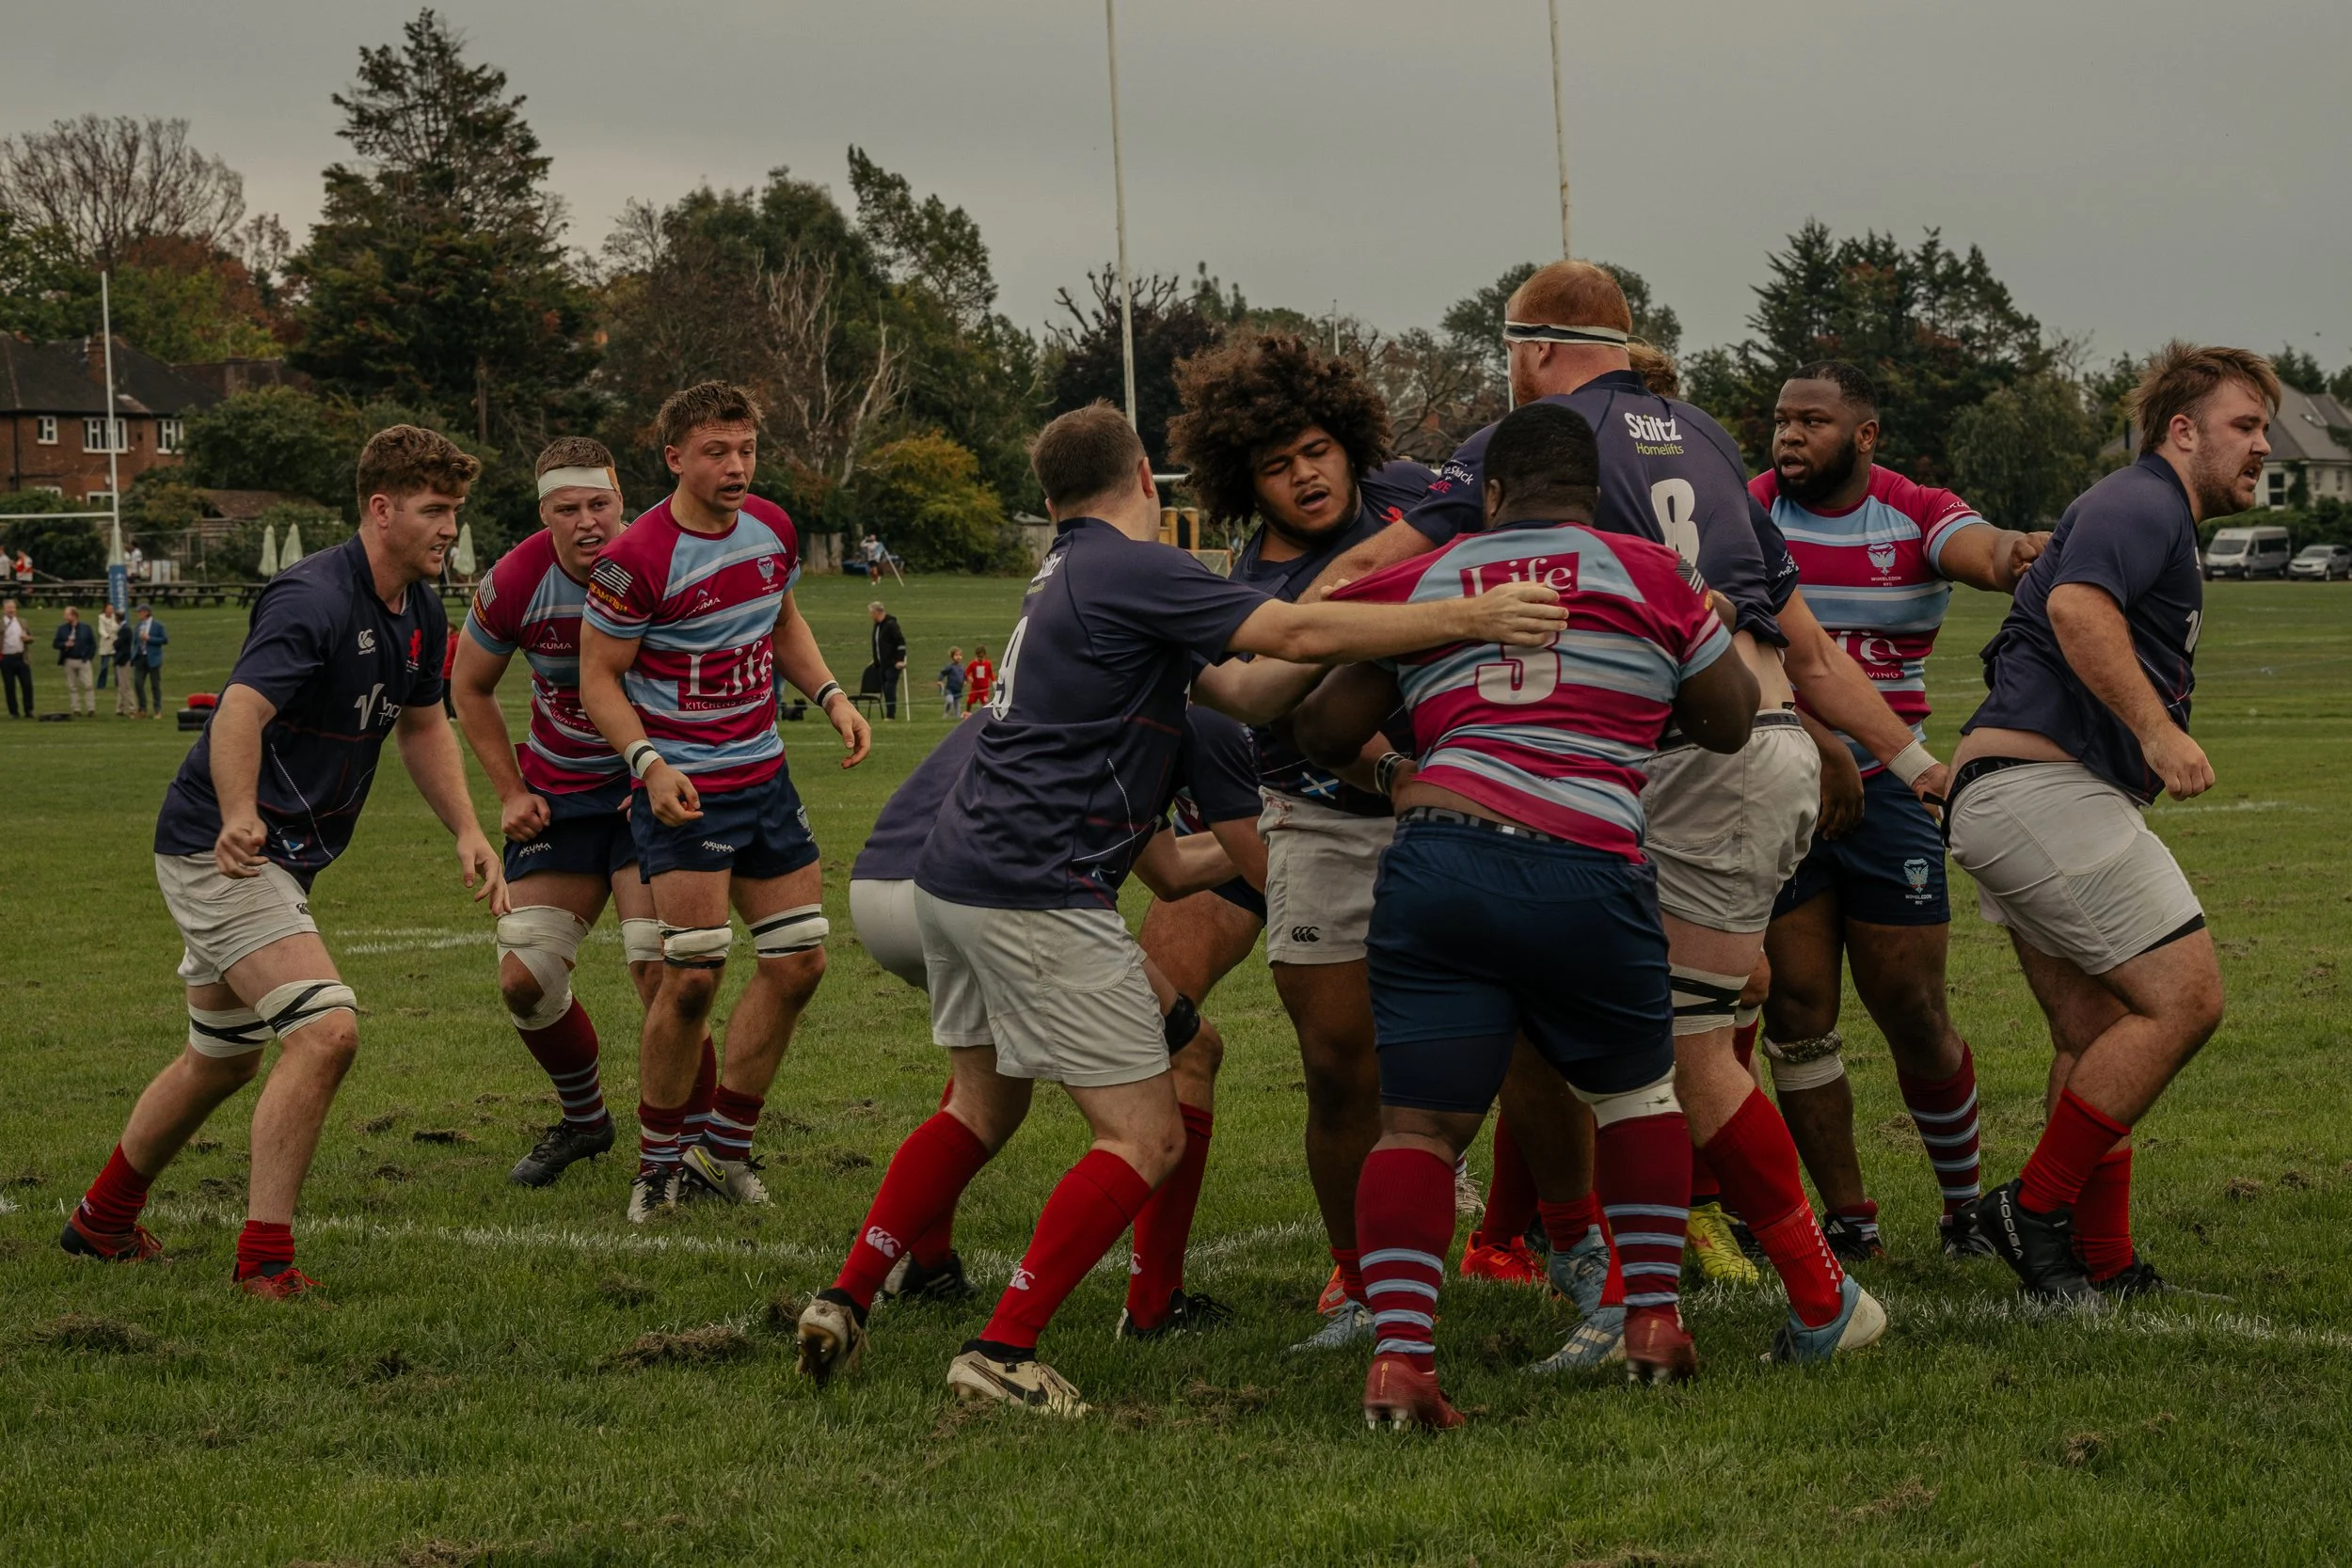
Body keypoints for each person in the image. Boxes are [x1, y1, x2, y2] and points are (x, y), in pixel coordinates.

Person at [793, 403, 1565, 1416]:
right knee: (1146, 1134)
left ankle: (844, 1297)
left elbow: (1249, 690)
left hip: (957, 880)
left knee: (981, 1106)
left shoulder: (1066, 574)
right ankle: (1003, 1348)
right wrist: (1466, 613)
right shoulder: (1130, 565)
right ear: (1148, 482)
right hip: (1034, 891)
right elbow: (1287, 628)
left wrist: (1343, 610)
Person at [1310, 261, 1915, 1361]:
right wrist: (1896, 752)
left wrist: (1271, 621)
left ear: (1533, 352)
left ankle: (1790, 1296)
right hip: (1736, 744)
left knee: (1676, 1059)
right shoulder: (1708, 438)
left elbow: (1368, 583)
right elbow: (1793, 633)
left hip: (1697, 760)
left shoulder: (1528, 458)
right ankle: (1632, 1281)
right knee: (1649, 1032)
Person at [1295, 401, 1758, 1421]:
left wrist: (1407, 763)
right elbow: (1730, 724)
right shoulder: (1649, 571)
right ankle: (1651, 1319)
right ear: (1587, 494)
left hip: (1441, 856)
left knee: (1415, 1124)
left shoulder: (1434, 572)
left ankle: (1403, 1361)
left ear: (1490, 495)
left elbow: (1324, 724)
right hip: (1588, 863)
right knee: (1636, 1096)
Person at [58, 425, 506, 1296]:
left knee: (220, 1057)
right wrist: (235, 816)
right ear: (381, 510)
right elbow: (235, 712)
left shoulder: (419, 606)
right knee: (326, 1029)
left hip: (279, 856)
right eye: (435, 510)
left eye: (455, 510)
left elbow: (422, 725)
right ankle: (265, 1263)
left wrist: (467, 827)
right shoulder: (313, 598)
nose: (450, 527)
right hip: (219, 850)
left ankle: (100, 1221)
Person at [1951, 343, 2260, 1303]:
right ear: (2181, 431)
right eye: (2243, 426)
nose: (2259, 448)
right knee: (2186, 999)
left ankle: (2098, 1263)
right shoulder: (2144, 499)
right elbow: (2081, 605)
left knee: (2095, 1033)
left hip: (2014, 792)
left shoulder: (2147, 507)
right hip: (2042, 791)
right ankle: (2031, 1209)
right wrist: (2156, 732)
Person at [1753, 362, 2051, 1260]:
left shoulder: (1915, 511)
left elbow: (1985, 551)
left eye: (1812, 421)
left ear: (1866, 435)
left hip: (1892, 792)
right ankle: (1850, 1219)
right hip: (1776, 780)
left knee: (1913, 1008)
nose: (1789, 437)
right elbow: (1745, 652)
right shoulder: (1748, 510)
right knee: (1798, 1010)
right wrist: (1822, 740)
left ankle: (1964, 1211)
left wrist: (2021, 552)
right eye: (1780, 421)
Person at [841, 707, 1263, 1334]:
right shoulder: (1172, 701)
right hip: (1011, 897)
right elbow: (1212, 865)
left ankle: (860, 1289)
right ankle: (1117, 1314)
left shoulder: (1057, 680)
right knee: (1167, 1091)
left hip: (892, 891)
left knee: (984, 1103)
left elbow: (1168, 868)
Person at [579, 381, 871, 1223]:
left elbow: (783, 623)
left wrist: (831, 696)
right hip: (685, 791)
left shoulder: (772, 527)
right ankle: (658, 1163)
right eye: (717, 450)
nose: (737, 465)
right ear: (674, 456)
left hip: (765, 777)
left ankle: (724, 1147)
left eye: (745, 449)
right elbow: (596, 675)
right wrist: (646, 761)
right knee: (696, 975)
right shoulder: (636, 557)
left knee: (801, 961)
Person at [452, 438, 660, 1189]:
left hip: (648, 794)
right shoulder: (514, 578)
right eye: (567, 509)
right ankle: (585, 1118)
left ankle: (692, 1144)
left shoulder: (657, 559)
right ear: (544, 514)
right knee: (524, 980)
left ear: (620, 503)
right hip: (561, 798)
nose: (587, 522)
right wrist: (510, 791)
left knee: (661, 972)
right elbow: (467, 687)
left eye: (599, 504)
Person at [866, 601, 908, 719]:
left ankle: (891, 715)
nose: (870, 615)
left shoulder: (891, 624)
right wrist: (876, 659)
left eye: (871, 613)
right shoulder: (877, 625)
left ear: (877, 612)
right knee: (885, 688)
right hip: (882, 664)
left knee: (890, 687)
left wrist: (900, 659)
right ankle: (888, 714)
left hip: (893, 663)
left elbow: (901, 642)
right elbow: (878, 645)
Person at [53, 605, 97, 716]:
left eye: (67, 615)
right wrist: (64, 644)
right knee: (72, 686)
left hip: (83, 660)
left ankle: (91, 708)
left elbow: (93, 644)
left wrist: (88, 657)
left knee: (88, 685)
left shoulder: (86, 628)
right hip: (69, 660)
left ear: (74, 615)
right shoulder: (62, 629)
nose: (65, 617)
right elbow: (55, 644)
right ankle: (76, 709)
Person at [129, 604, 168, 719]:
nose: (138, 614)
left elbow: (165, 639)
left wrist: (149, 639)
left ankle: (157, 709)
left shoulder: (158, 625)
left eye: (140, 612)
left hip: (153, 658)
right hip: (140, 658)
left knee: (155, 685)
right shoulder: (138, 626)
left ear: (146, 612)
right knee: (138, 683)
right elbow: (135, 642)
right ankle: (142, 708)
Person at [1, 598, 30, 717]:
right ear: (4, 610)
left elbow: (30, 636)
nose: (11, 610)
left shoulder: (22, 622)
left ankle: (29, 710)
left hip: (21, 657)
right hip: (6, 658)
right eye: (9, 608)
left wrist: (28, 639)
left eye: (13, 608)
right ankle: (14, 712)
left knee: (27, 684)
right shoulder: (1, 623)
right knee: (9, 686)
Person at [111, 609, 137, 717]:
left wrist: (115, 642)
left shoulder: (125, 630)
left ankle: (132, 707)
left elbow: (119, 644)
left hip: (123, 659)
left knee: (125, 685)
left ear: (117, 618)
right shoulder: (124, 629)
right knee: (122, 685)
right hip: (122, 659)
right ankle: (120, 708)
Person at [961, 643, 993, 713]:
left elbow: (990, 673)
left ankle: (986, 715)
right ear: (976, 655)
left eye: (982, 657)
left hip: (984, 690)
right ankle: (967, 713)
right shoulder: (973, 664)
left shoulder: (988, 664)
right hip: (975, 689)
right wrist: (968, 677)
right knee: (970, 701)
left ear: (984, 655)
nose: (980, 659)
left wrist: (994, 681)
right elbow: (966, 672)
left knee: (986, 703)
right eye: (979, 657)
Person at [97, 604, 120, 690]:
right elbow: (101, 629)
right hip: (105, 644)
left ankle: (118, 684)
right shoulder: (101, 618)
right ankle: (101, 685)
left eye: (112, 609)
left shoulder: (115, 617)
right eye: (109, 608)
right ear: (105, 609)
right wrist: (106, 635)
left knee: (117, 666)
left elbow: (118, 627)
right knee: (104, 666)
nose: (110, 610)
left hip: (115, 643)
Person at [936, 647, 965, 717]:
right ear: (952, 657)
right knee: (950, 701)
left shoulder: (962, 667)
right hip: (949, 689)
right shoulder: (950, 667)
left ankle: (957, 719)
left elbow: (964, 676)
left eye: (960, 655)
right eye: (956, 655)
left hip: (958, 690)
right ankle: (946, 713)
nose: (958, 657)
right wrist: (939, 680)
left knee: (957, 707)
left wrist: (965, 681)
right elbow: (942, 673)